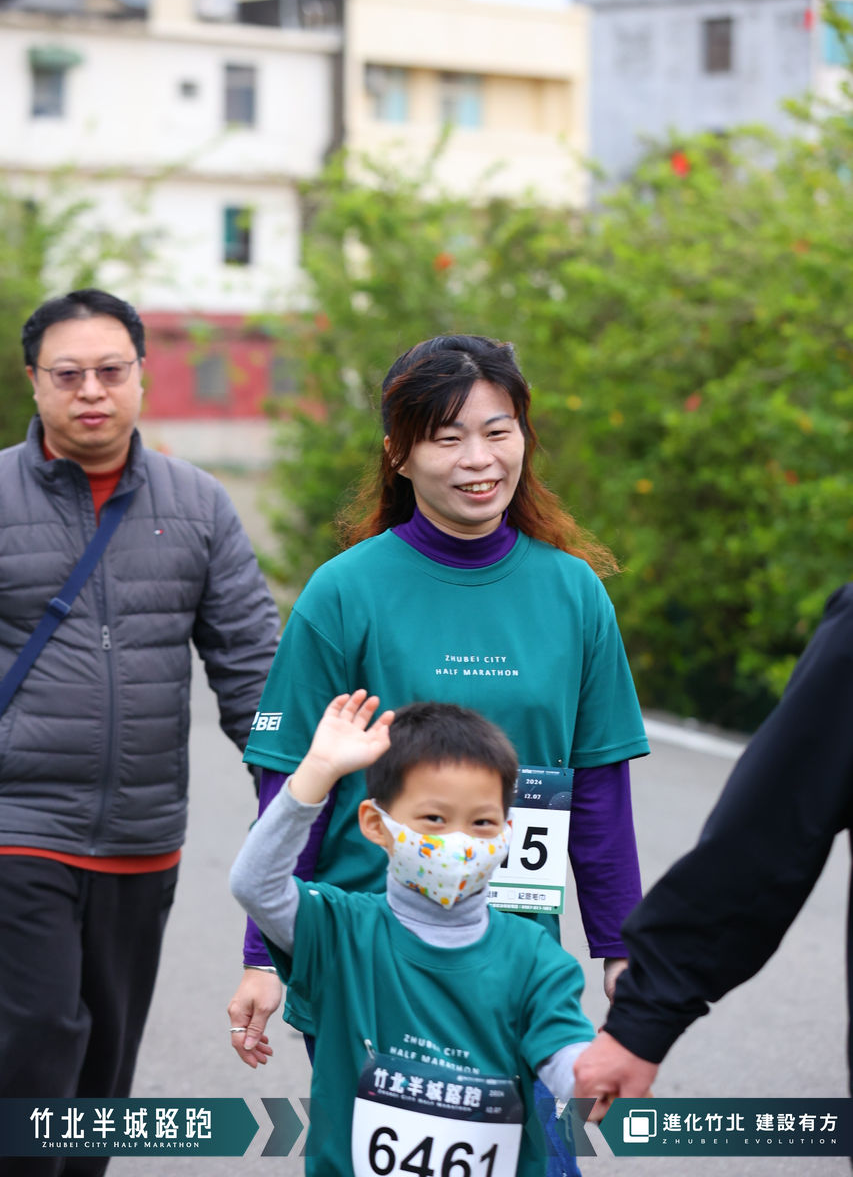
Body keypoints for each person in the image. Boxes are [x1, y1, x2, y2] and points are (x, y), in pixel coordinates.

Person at [228, 334, 649, 1172]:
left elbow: (599, 789)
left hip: (514, 953)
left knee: (530, 1155)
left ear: (524, 436)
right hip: (365, 956)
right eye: (447, 438)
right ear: (398, 454)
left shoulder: (573, 593)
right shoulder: (344, 592)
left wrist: (620, 948)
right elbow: (289, 780)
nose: (478, 460)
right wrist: (262, 956)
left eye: (497, 431)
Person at [0, 289, 280, 1177]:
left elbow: (252, 668)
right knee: (37, 1034)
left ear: (141, 376)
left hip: (140, 836)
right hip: (16, 826)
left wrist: (291, 783)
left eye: (110, 371)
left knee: (102, 1070)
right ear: (34, 382)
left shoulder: (198, 504)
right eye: (68, 374)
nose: (91, 390)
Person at [230, 689, 595, 1176]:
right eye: (434, 819)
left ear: (508, 831)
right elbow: (255, 885)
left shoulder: (535, 959)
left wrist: (598, 1078)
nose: (459, 841)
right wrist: (316, 773)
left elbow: (566, 1055)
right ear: (375, 824)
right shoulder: (339, 931)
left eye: (482, 822)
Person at [573, 582, 853, 1114]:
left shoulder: (575, 592)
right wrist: (643, 1011)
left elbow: (771, 836)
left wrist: (641, 1009)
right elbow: (769, 838)